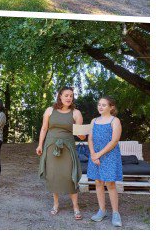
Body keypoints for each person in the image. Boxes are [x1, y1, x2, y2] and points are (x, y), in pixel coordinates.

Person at [37, 86, 85, 220]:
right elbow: (44, 128)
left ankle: (76, 207)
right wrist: (40, 145)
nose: (69, 98)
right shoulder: (49, 110)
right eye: (66, 95)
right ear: (60, 96)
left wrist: (82, 136)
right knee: (53, 176)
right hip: (51, 146)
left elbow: (80, 135)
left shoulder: (76, 113)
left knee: (70, 175)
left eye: (71, 95)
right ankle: (55, 204)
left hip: (68, 148)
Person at [87, 96, 123, 227]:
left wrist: (99, 155)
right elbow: (90, 139)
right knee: (98, 182)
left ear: (111, 107)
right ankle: (102, 210)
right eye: (99, 104)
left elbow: (114, 141)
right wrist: (93, 154)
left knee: (110, 183)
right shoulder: (94, 121)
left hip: (109, 155)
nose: (100, 107)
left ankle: (115, 213)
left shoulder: (115, 120)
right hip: (95, 155)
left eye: (104, 105)